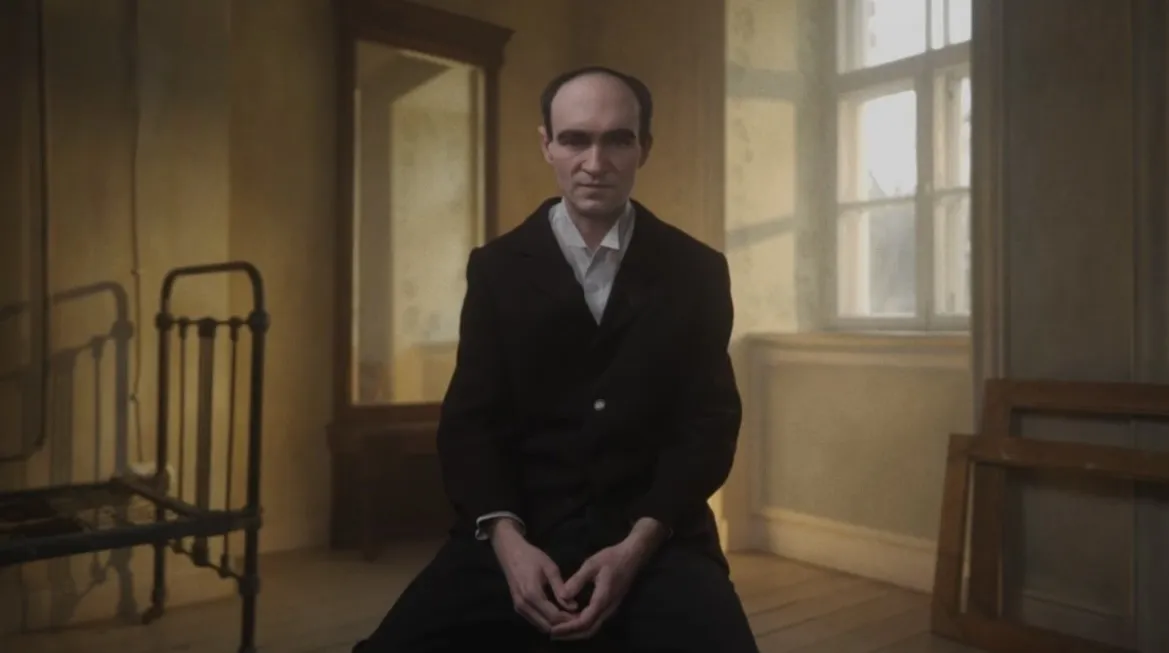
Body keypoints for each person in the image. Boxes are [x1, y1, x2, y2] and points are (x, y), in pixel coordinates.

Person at [353, 65, 759, 653]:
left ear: (644, 148)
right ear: (546, 145)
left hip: (654, 535)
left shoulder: (697, 271)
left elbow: (709, 426)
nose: (596, 162)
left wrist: (636, 547)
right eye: (575, 139)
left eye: (618, 140)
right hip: (521, 530)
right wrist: (508, 545)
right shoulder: (495, 269)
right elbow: (471, 424)